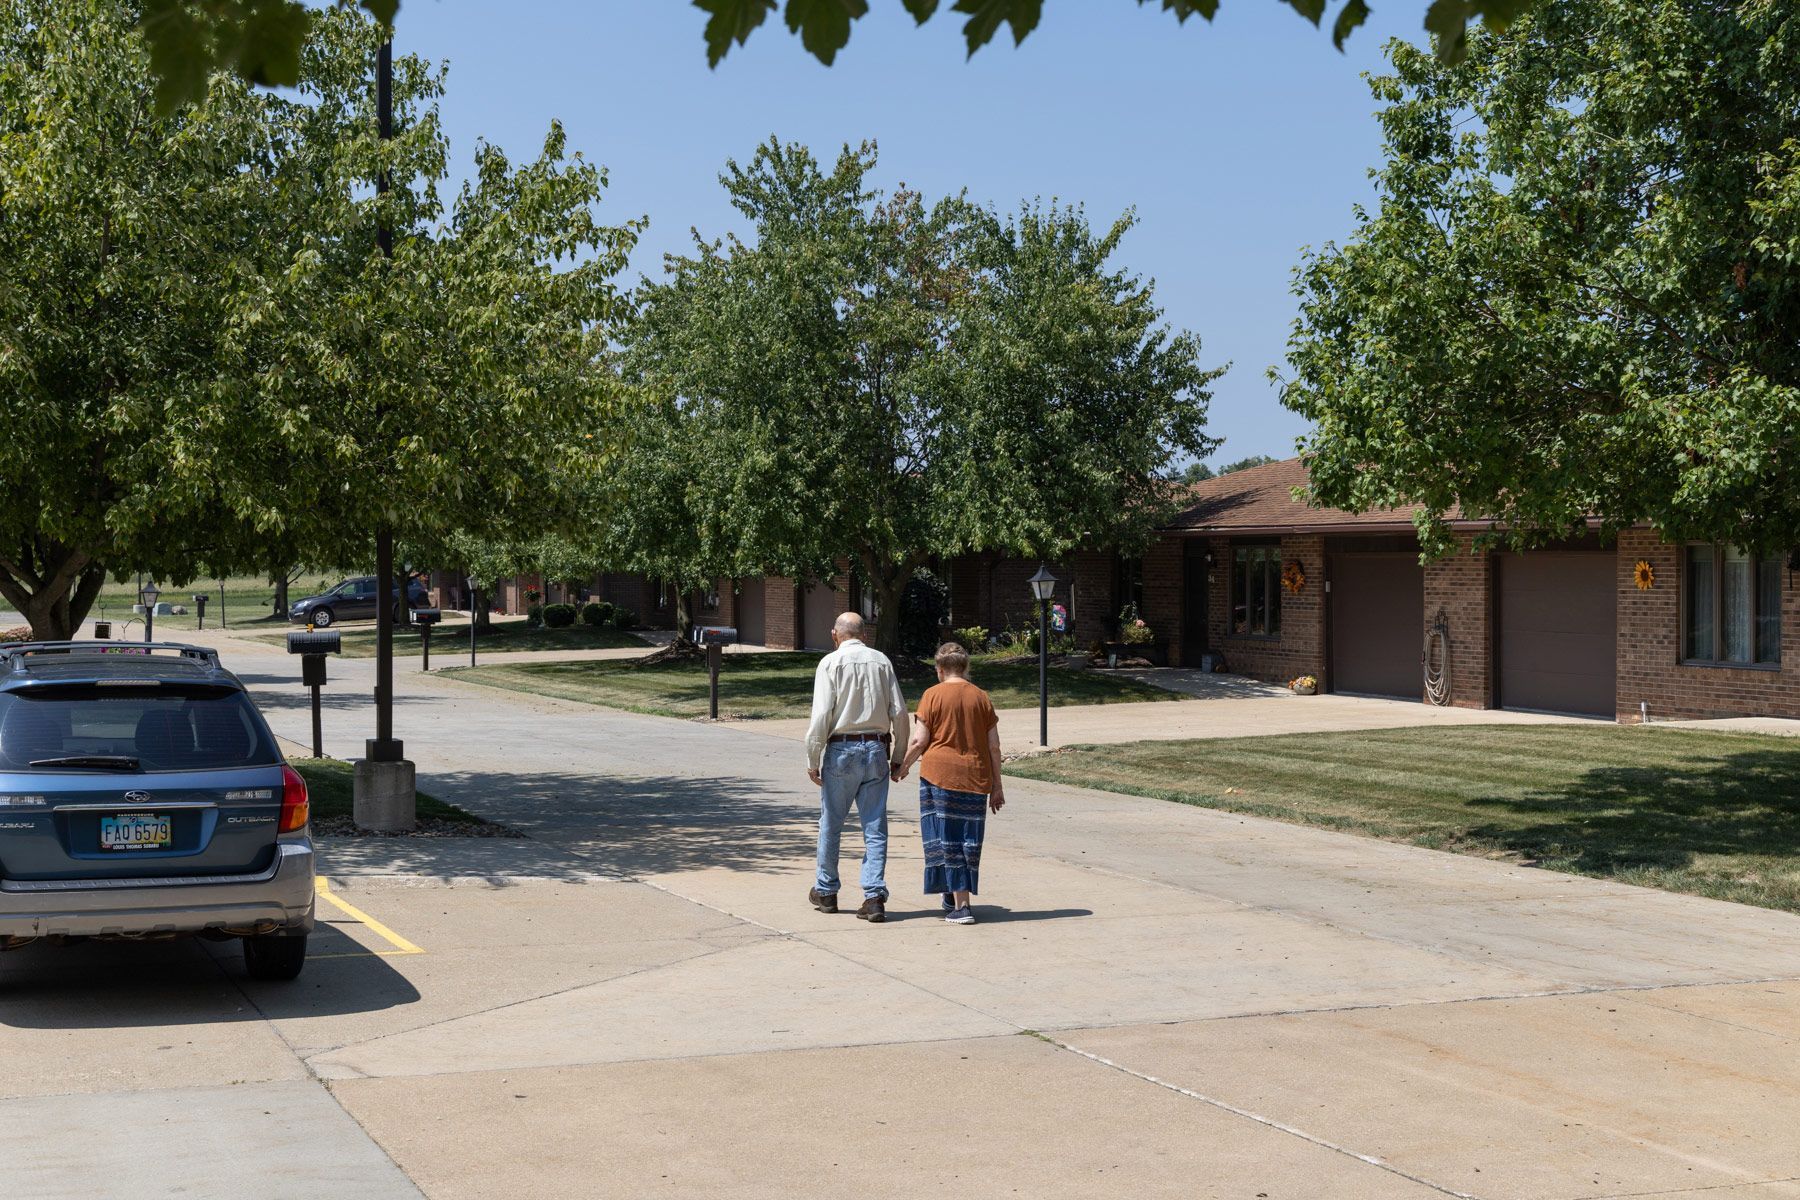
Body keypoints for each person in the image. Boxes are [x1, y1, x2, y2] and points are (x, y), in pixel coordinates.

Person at [805, 612, 909, 923]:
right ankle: (874, 895)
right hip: (876, 747)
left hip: (841, 748)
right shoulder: (881, 661)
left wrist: (812, 758)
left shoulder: (830, 663)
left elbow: (821, 714)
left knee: (831, 823)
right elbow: (900, 712)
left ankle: (826, 890)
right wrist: (899, 756)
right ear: (864, 635)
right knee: (875, 827)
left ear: (834, 634)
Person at [893, 642, 1003, 925]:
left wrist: (903, 766)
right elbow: (994, 747)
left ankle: (963, 907)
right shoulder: (981, 697)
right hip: (976, 778)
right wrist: (997, 786)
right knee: (968, 838)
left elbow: (919, 740)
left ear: (939, 670)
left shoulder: (932, 695)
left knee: (945, 838)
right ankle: (950, 895)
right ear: (966, 668)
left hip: (938, 776)